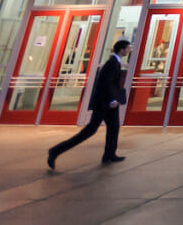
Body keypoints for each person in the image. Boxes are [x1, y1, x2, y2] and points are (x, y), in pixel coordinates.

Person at [48, 40, 132, 170]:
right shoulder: (112, 63)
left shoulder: (115, 62)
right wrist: (112, 100)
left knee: (114, 128)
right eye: (127, 48)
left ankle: (109, 154)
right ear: (121, 49)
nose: (129, 50)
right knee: (89, 131)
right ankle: (55, 151)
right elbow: (106, 84)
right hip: (104, 105)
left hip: (108, 104)